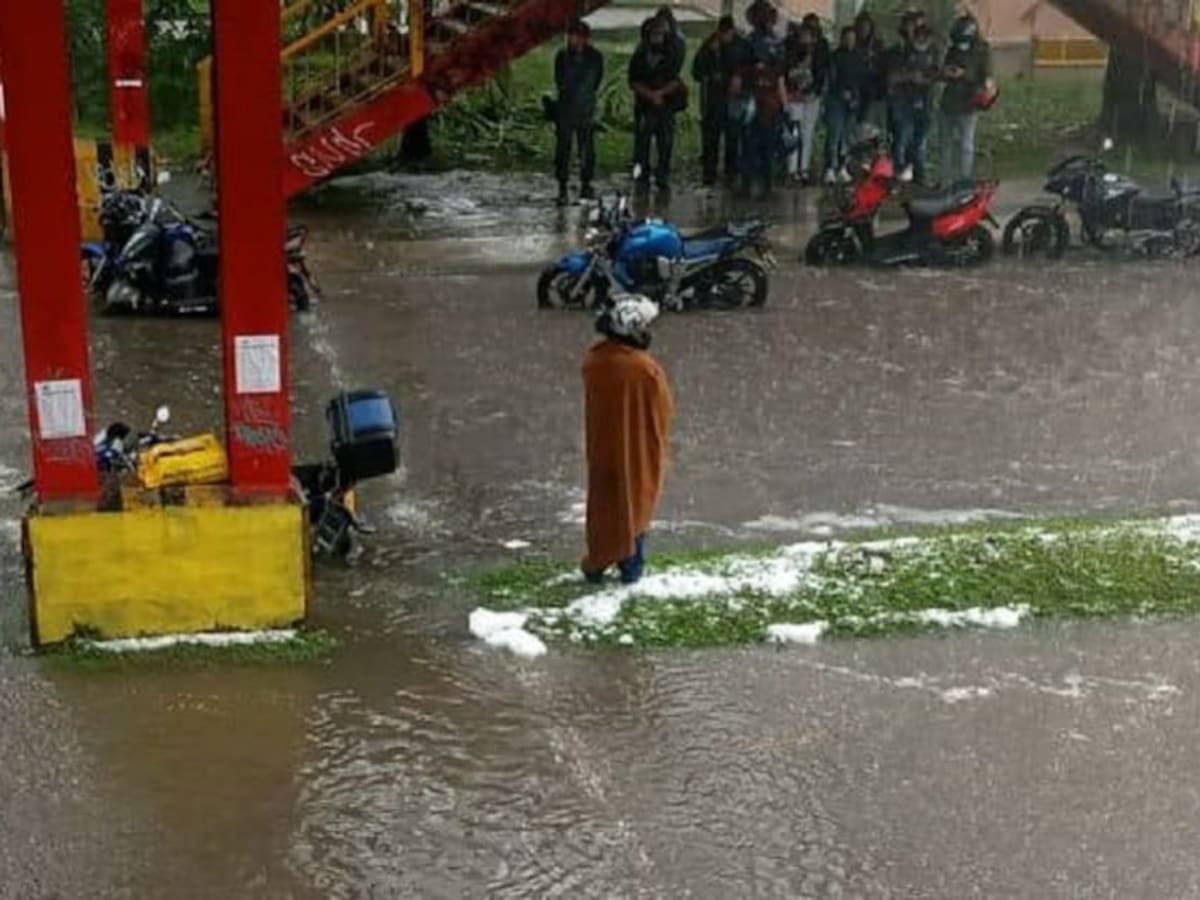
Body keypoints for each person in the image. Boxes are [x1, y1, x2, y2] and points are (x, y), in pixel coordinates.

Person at [581, 295, 674, 585]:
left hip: (603, 447)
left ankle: (598, 560)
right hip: (636, 450)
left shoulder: (596, 361)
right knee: (635, 501)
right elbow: (663, 408)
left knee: (605, 504)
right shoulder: (644, 369)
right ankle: (630, 567)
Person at [629, 17, 687, 191]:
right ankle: (641, 178)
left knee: (665, 144)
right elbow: (633, 81)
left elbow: (675, 79)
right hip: (644, 106)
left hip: (665, 106)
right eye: (654, 34)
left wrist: (660, 94)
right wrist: (650, 95)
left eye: (660, 34)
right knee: (641, 145)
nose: (657, 38)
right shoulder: (639, 55)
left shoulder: (671, 53)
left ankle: (662, 177)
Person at [693, 16, 750, 186]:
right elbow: (696, 72)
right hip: (713, 99)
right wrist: (709, 52)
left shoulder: (741, 45)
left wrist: (739, 78)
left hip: (733, 99)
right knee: (711, 139)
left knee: (733, 138)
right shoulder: (710, 45)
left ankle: (731, 173)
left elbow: (750, 67)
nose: (724, 37)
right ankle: (709, 174)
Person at [553, 21, 605, 206]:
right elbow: (559, 81)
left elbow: (596, 80)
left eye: (575, 36)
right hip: (566, 108)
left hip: (585, 109)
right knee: (563, 150)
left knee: (587, 150)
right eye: (570, 35)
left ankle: (586, 183)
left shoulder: (595, 57)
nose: (572, 40)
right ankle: (562, 186)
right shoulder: (562, 56)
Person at [940, 13, 993, 184]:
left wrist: (965, 75)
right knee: (945, 144)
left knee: (966, 146)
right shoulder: (953, 49)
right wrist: (947, 73)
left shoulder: (982, 51)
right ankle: (945, 178)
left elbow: (986, 78)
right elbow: (945, 70)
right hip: (949, 102)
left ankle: (965, 180)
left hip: (969, 103)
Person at [886, 12, 938, 184]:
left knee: (920, 142)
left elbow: (936, 74)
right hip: (903, 102)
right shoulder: (900, 51)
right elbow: (891, 77)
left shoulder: (932, 51)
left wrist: (927, 79)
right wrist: (909, 77)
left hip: (925, 101)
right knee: (902, 139)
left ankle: (919, 176)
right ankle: (899, 173)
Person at [783, 22, 827, 186]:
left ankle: (804, 169)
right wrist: (794, 92)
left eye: (808, 35)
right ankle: (792, 170)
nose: (805, 38)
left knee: (807, 133)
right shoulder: (792, 52)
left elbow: (821, 76)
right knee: (794, 133)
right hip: (795, 97)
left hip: (811, 98)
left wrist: (812, 92)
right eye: (803, 34)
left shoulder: (819, 54)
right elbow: (787, 73)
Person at [824, 26, 868, 184]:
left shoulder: (858, 58)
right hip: (837, 100)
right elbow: (831, 79)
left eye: (853, 38)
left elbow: (862, 80)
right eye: (847, 37)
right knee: (834, 135)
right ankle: (830, 167)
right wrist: (840, 92)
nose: (850, 41)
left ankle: (842, 167)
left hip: (853, 102)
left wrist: (856, 96)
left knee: (846, 137)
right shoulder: (835, 56)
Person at [853, 10, 887, 126]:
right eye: (861, 26)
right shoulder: (853, 43)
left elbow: (882, 67)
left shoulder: (877, 45)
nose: (864, 29)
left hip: (871, 88)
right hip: (855, 86)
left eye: (866, 26)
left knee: (866, 122)